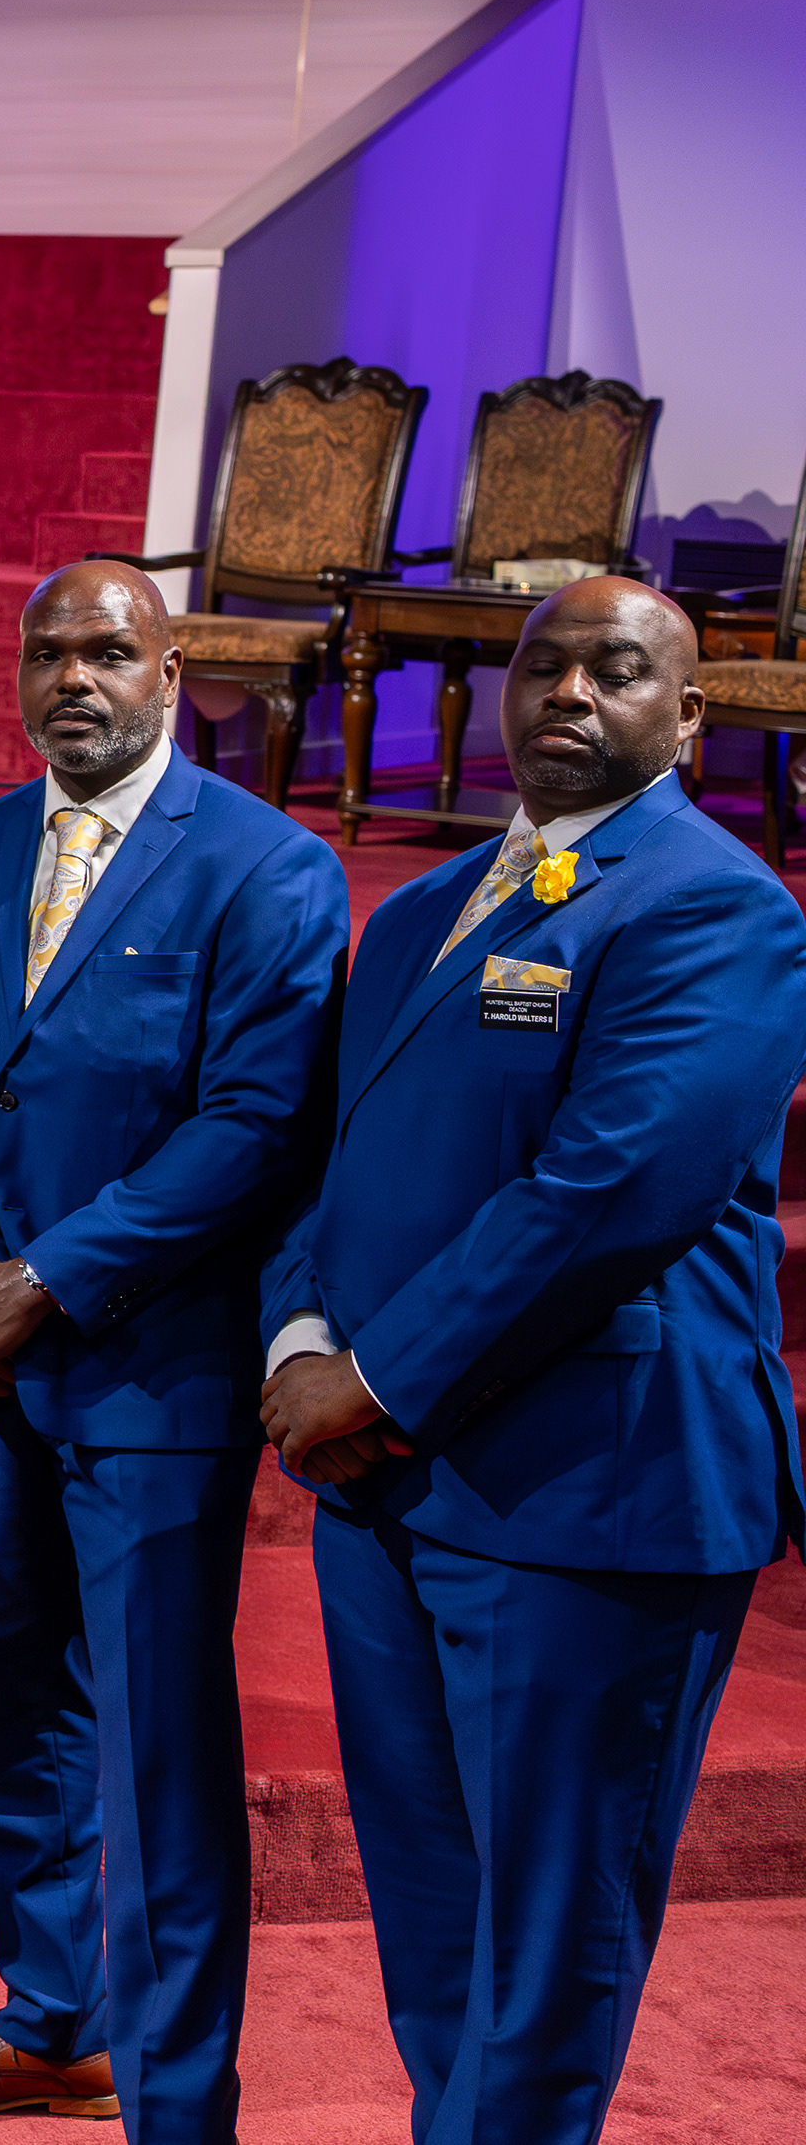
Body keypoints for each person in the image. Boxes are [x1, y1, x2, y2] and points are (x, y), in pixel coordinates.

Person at [260, 577, 806, 2145]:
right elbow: (330, 1165)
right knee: (434, 1910)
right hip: (389, 1488)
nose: (569, 691)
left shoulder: (716, 908)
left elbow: (609, 1188)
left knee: (552, 1935)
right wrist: (300, 1332)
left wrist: (377, 1377)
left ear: (686, 717)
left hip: (590, 1489)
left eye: (614, 670)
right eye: (543, 664)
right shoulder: (420, 910)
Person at [0, 560, 347, 2140]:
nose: (74, 678)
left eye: (109, 651)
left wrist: (42, 1284)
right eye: (48, 652)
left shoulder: (269, 866)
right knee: (12, 1709)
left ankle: (174, 2092)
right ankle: (51, 2018)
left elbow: (254, 1129)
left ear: (171, 669)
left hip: (150, 1375)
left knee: (156, 1744)